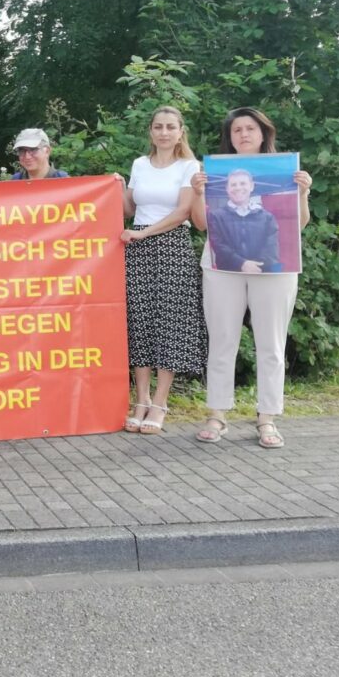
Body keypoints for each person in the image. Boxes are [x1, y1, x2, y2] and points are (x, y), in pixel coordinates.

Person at [190, 107, 312, 449]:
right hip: (220, 266)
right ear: (230, 137)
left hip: (275, 270)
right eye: (236, 130)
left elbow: (298, 225)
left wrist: (302, 192)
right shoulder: (214, 176)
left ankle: (267, 418)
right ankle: (217, 414)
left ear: (263, 134)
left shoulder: (287, 173)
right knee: (222, 340)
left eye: (250, 128)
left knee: (271, 343)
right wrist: (198, 192)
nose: (243, 134)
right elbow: (201, 224)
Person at [119, 106, 206, 434]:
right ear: (151, 131)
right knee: (140, 322)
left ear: (181, 131)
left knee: (169, 324)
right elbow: (129, 208)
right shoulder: (139, 165)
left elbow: (184, 211)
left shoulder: (190, 167)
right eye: (158, 126)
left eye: (171, 127)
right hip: (138, 249)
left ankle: (160, 402)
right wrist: (114, 188)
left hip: (171, 247)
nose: (164, 132)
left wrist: (143, 232)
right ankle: (140, 400)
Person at [206, 168, 281, 272]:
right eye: (233, 185)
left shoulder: (267, 217)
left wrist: (255, 267)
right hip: (228, 275)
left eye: (242, 183)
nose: (238, 188)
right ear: (227, 188)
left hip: (261, 274)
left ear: (251, 186)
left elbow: (271, 247)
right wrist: (241, 264)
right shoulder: (216, 216)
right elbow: (218, 246)